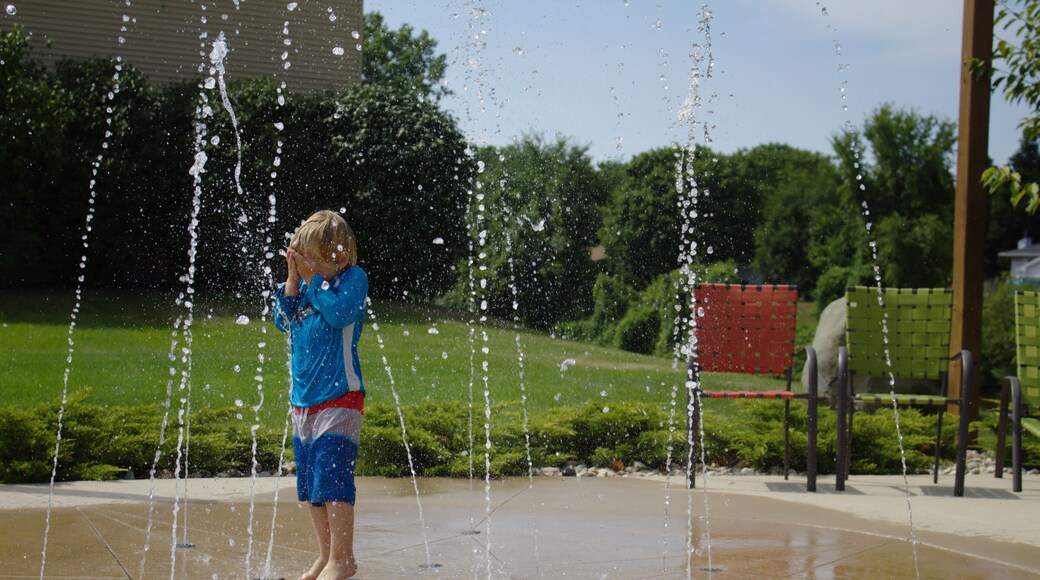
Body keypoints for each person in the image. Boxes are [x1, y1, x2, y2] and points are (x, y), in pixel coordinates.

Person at [273, 210, 368, 580]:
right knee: (311, 485)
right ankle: (326, 554)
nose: (304, 265)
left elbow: (341, 315)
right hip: (304, 404)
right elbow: (282, 320)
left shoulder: (351, 280)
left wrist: (312, 283)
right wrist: (293, 281)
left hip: (340, 398)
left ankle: (342, 558)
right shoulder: (308, 286)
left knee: (332, 478)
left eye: (309, 257)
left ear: (338, 256)